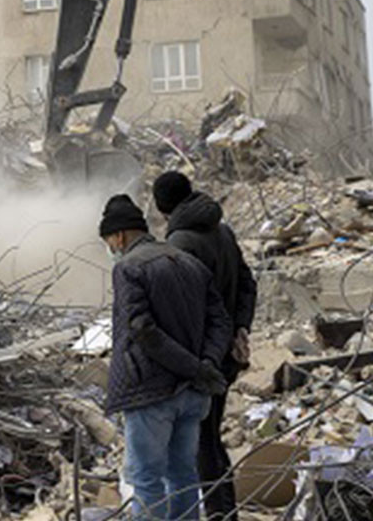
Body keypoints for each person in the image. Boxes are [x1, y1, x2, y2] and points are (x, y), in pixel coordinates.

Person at [100, 194, 231, 520]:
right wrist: (208, 365)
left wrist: (194, 367)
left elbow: (142, 330)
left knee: (146, 479)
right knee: (184, 475)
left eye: (109, 241)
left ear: (118, 237)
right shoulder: (190, 263)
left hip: (151, 392)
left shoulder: (129, 268)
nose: (111, 249)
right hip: (194, 393)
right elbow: (221, 322)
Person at [152, 171, 258, 521]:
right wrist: (241, 327)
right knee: (209, 437)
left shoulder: (181, 243)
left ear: (161, 206)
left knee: (200, 442)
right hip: (224, 355)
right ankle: (223, 510)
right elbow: (247, 283)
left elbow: (186, 311)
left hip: (202, 360)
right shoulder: (222, 231)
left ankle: (219, 512)